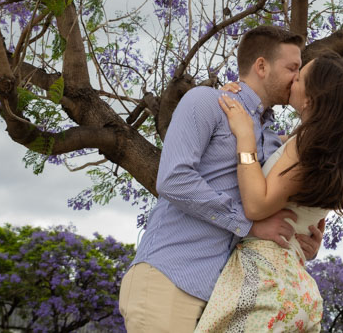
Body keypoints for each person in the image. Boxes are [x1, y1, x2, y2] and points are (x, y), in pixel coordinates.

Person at [119, 26, 324, 333]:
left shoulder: (270, 142)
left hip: (223, 297)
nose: (296, 79)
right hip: (170, 279)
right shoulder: (205, 101)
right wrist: (250, 224)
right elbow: (174, 178)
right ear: (261, 66)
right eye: (292, 68)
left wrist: (299, 238)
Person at [195, 51, 343, 332]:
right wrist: (230, 103)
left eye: (299, 77)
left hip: (266, 284)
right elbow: (270, 144)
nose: (292, 79)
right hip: (294, 287)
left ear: (311, 98)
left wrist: (245, 136)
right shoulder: (328, 154)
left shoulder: (306, 147)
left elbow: (256, 206)